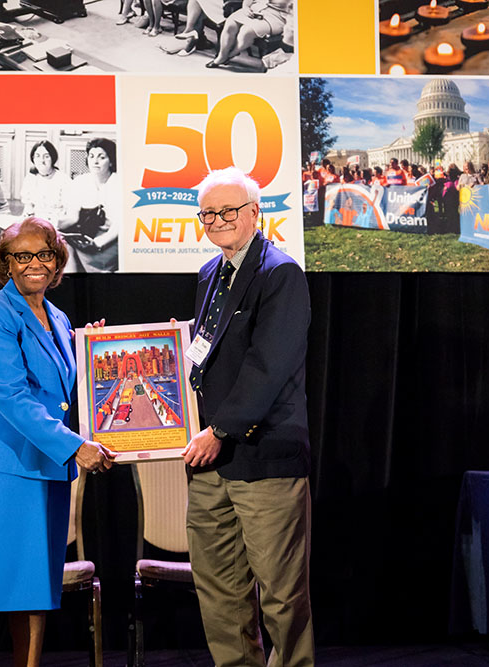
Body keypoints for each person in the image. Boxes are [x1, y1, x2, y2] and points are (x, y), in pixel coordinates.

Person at [0, 217, 116, 667]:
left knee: (34, 586)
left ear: (57, 260)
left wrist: (101, 348)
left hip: (44, 465)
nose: (33, 264)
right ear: (6, 264)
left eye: (43, 254)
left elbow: (69, 383)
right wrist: (75, 446)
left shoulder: (58, 318)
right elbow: (11, 396)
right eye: (21, 256)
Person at [183, 167, 313, 667]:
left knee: (281, 597)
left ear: (255, 213)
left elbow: (268, 366)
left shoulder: (280, 273)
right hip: (211, 464)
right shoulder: (209, 274)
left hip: (264, 459)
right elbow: (205, 355)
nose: (217, 221)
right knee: (220, 594)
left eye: (228, 211)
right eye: (208, 213)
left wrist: (219, 430)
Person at [60, 138, 120, 273]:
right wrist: (54, 224)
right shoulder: (80, 181)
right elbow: (73, 218)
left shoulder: (119, 183)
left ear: (111, 161)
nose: (95, 161)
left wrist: (99, 242)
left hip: (110, 239)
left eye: (102, 157)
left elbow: (118, 226)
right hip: (85, 234)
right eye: (91, 156)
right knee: (62, 245)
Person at [206, 0, 293, 69]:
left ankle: (230, 55)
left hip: (277, 17)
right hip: (256, 8)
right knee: (230, 24)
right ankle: (222, 55)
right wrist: (246, 7)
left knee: (246, 32)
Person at [20, 140, 71, 225]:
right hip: (34, 222)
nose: (42, 160)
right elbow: (28, 206)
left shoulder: (63, 180)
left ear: (53, 158)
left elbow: (68, 211)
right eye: (37, 156)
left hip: (56, 223)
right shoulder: (30, 178)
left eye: (46, 156)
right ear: (33, 158)